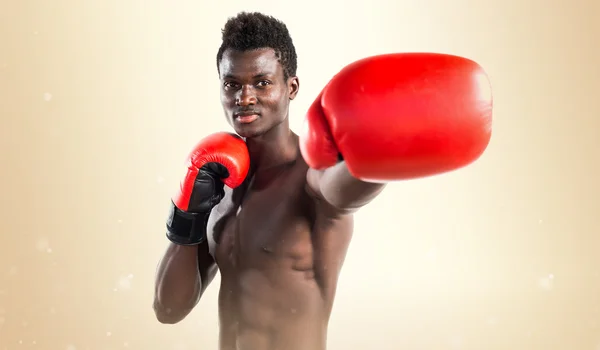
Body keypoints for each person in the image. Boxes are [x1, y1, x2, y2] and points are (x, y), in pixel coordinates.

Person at [152, 11, 493, 350]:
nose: (245, 98)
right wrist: (188, 214)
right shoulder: (218, 181)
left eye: (261, 82)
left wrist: (388, 138)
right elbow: (168, 309)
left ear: (292, 87)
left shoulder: (313, 176)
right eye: (232, 84)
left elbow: (348, 185)